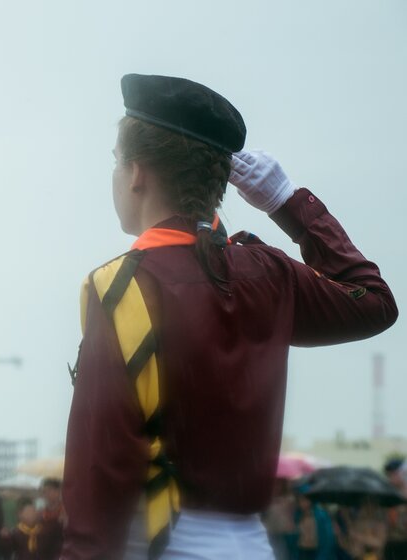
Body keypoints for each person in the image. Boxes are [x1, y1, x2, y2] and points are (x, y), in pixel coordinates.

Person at [62, 73, 398, 559]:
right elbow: (373, 301)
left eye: (117, 161)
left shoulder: (120, 286)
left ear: (137, 172)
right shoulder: (269, 272)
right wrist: (288, 203)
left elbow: (101, 470)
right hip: (251, 544)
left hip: (157, 543)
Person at [383, 458, 407, 559]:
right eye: (388, 474)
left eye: (393, 474)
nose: (391, 477)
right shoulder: (387, 494)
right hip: (390, 542)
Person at [37, 479, 63, 560]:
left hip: (61, 552)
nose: (46, 494)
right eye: (44, 491)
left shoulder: (65, 510)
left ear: (58, 491)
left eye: (49, 490)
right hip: (44, 553)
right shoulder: (42, 512)